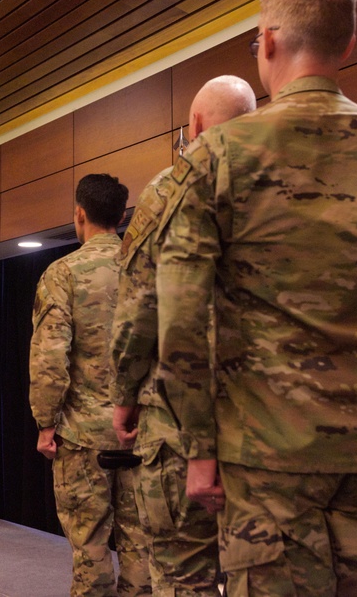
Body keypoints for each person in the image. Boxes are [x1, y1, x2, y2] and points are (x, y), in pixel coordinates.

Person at [153, 0, 357, 595]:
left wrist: (198, 447)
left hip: (264, 460)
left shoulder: (216, 159)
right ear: (346, 45)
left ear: (267, 42)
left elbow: (182, 318)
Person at [111, 75, 256, 594]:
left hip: (176, 424)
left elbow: (140, 311)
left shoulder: (167, 192)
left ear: (193, 125)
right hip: (273, 428)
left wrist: (123, 395)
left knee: (181, 574)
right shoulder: (283, 180)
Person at [29, 173, 151, 596]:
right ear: (121, 216)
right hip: (144, 433)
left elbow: (50, 356)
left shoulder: (63, 274)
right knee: (142, 545)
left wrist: (46, 422)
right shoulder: (146, 270)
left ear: (79, 215)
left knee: (91, 545)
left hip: (84, 438)